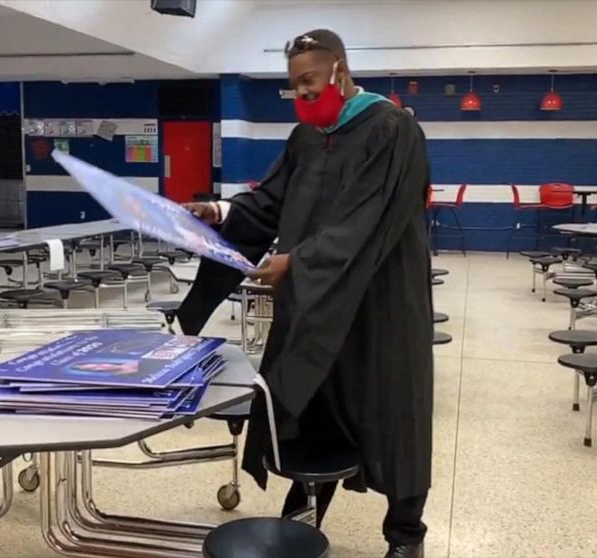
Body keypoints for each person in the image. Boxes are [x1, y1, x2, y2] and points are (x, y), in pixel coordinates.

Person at [179, 29, 433, 558]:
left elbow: (368, 221)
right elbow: (270, 202)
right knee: (309, 400)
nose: (302, 96)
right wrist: (220, 212)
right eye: (294, 87)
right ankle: (305, 503)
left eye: (310, 83)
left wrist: (299, 264)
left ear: (339, 70)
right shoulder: (307, 138)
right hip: (315, 300)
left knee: (393, 411)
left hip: (379, 304)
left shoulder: (393, 130)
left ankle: (406, 535)